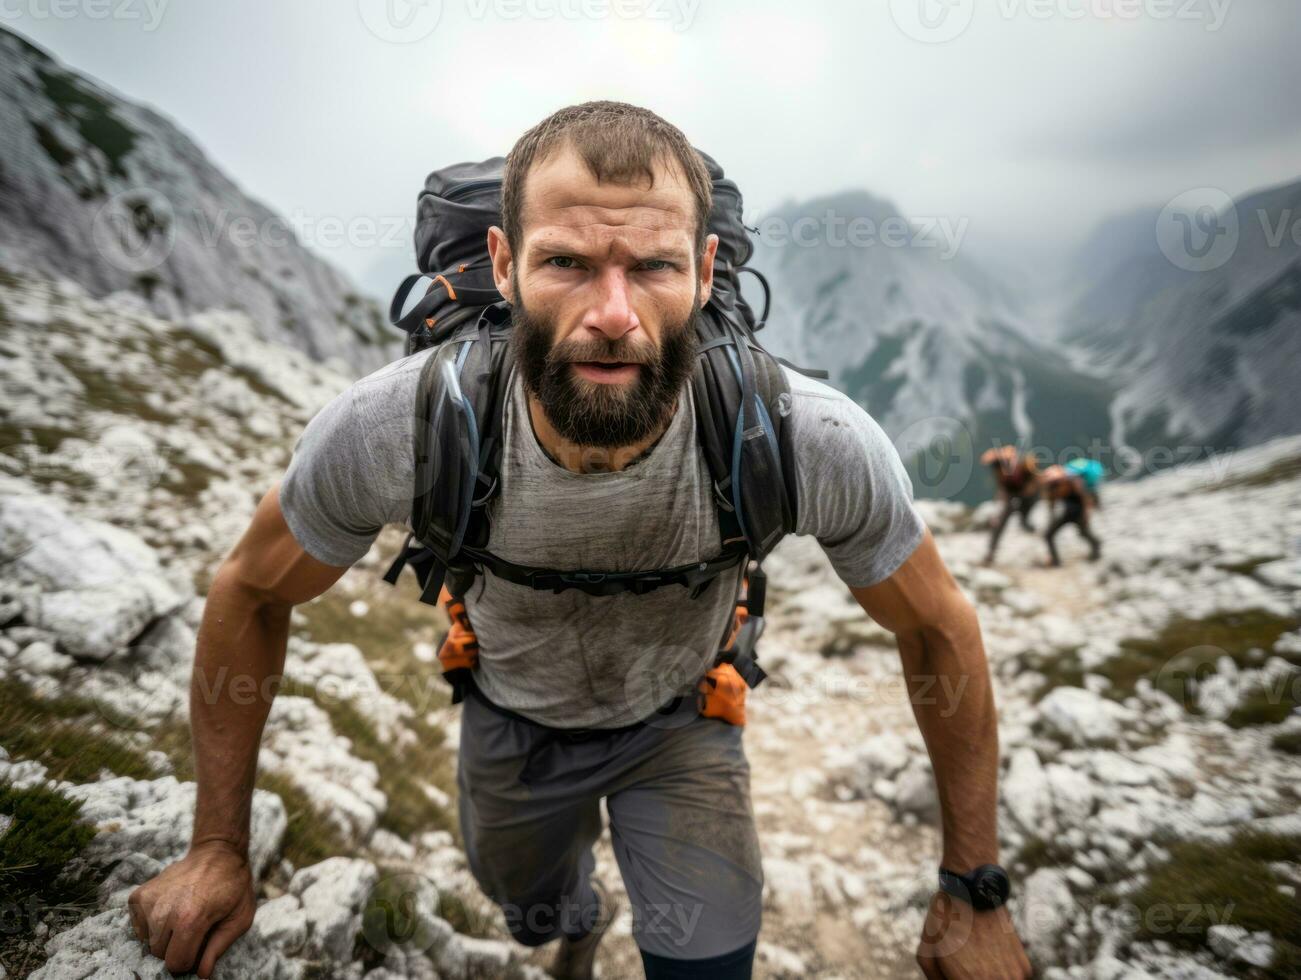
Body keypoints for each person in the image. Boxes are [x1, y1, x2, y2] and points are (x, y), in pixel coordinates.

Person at [126, 102, 1030, 980]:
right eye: (565, 262)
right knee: (531, 910)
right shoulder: (395, 427)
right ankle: (576, 924)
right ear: (504, 262)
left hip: (682, 724)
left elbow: (936, 623)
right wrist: (215, 849)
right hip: (509, 722)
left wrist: (974, 890)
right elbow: (250, 588)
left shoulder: (800, 435)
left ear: (706, 270)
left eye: (653, 267)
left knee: (709, 964)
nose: (612, 312)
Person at [980, 445, 1040, 566]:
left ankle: (1033, 533)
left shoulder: (1024, 466)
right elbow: (1003, 487)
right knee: (1000, 524)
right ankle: (990, 554)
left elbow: (1035, 482)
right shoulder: (999, 468)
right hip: (1014, 496)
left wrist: (1025, 494)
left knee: (1024, 521)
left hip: (1027, 497)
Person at [1040, 464, 1102, 566]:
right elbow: (1051, 506)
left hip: (1079, 513)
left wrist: (1086, 515)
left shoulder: (1073, 481)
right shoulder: (1053, 487)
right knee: (1049, 535)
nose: (1053, 485)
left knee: (1084, 533)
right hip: (1068, 513)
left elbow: (1085, 499)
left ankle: (1096, 552)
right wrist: (1051, 521)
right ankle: (1055, 561)